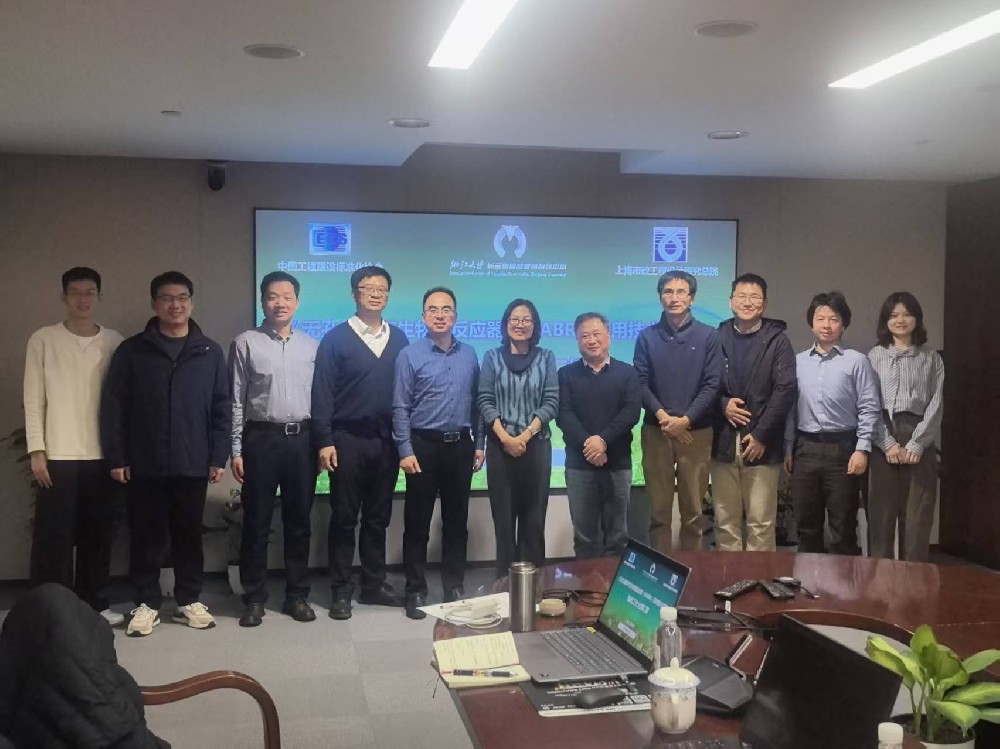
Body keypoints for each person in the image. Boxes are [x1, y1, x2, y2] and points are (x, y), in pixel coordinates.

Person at [101, 271, 230, 637]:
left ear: (191, 302)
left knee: (188, 534)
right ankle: (147, 603)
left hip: (193, 460)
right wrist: (117, 457)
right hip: (145, 461)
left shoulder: (208, 351)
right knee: (145, 535)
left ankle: (189, 599)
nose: (176, 305)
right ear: (154, 304)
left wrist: (217, 456)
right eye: (167, 298)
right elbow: (114, 406)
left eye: (182, 298)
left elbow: (221, 407)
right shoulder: (133, 350)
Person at [23, 267, 125, 626]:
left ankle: (95, 604)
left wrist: (120, 452)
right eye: (75, 292)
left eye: (89, 292)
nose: (83, 299)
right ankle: (54, 609)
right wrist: (37, 450)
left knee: (98, 535)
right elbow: (33, 397)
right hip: (58, 455)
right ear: (63, 297)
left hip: (102, 455)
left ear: (99, 297)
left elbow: (122, 401)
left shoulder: (114, 341)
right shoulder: (43, 339)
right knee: (55, 538)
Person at [312, 266, 409, 620]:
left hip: (386, 442)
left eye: (382, 288)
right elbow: (322, 393)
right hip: (347, 440)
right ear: (354, 293)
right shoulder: (335, 339)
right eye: (368, 287)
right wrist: (324, 440)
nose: (375, 293)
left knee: (377, 519)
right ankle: (341, 589)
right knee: (344, 518)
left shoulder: (399, 339)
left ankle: (373, 584)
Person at [229, 271, 319, 627]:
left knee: (299, 522)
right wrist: (236, 448)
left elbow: (321, 400)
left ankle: (297, 595)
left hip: (303, 440)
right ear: (262, 300)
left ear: (297, 301)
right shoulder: (245, 343)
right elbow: (236, 399)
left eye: (287, 297)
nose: (279, 303)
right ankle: (254, 598)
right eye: (272, 296)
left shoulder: (312, 346)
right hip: (261, 439)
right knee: (256, 521)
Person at [393, 287, 484, 620]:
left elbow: (478, 405)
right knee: (417, 523)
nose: (440, 315)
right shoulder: (409, 355)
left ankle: (454, 587)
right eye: (433, 309)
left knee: (456, 522)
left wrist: (479, 444)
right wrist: (405, 449)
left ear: (455, 316)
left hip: (460, 446)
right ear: (423, 317)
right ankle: (415, 590)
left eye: (446, 309)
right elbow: (400, 406)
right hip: (423, 446)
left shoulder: (470, 354)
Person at [783, 291, 880, 555]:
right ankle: (808, 580)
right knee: (806, 527)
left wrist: (862, 449)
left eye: (834, 319)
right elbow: (790, 409)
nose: (826, 325)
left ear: (844, 324)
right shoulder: (798, 362)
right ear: (811, 323)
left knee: (843, 529)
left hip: (843, 450)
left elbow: (869, 407)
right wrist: (789, 448)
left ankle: (844, 583)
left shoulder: (857, 361)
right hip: (805, 449)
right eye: (820, 318)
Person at [633, 270, 723, 552]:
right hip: (656, 431)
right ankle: (659, 572)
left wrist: (685, 420)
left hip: (695, 433)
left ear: (691, 298)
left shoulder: (709, 336)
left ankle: (691, 572)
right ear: (660, 297)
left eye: (681, 292)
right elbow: (640, 383)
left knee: (693, 514)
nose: (674, 298)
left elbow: (712, 384)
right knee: (658, 513)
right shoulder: (647, 337)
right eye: (668, 292)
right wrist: (664, 418)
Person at [710, 274, 797, 552]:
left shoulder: (778, 341)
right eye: (742, 296)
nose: (747, 302)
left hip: (762, 446)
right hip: (723, 442)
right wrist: (722, 404)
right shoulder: (716, 337)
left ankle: (759, 578)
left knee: (761, 523)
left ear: (764, 304)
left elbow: (785, 389)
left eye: (754, 297)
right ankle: (728, 578)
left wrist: (761, 435)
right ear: (730, 301)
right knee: (725, 522)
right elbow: (705, 383)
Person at [477, 298, 558, 576]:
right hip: (500, 448)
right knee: (503, 522)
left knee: (533, 522)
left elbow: (551, 402)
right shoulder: (491, 357)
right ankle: (504, 585)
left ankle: (534, 586)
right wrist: (505, 438)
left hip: (536, 447)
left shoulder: (546, 357)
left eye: (526, 320)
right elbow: (485, 400)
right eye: (515, 319)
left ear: (534, 325)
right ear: (506, 323)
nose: (520, 324)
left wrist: (524, 436)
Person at [867, 292, 944, 562]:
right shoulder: (874, 356)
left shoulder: (931, 358)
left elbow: (937, 402)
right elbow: (868, 403)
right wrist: (886, 442)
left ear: (917, 319)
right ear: (885, 321)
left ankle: (914, 584)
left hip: (919, 433)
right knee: (881, 516)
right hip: (882, 434)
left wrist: (917, 443)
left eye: (907, 314)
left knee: (917, 516)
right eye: (893, 315)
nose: (900, 320)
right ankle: (879, 583)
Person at [557, 312, 641, 558]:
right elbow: (564, 415)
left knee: (618, 536)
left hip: (618, 464)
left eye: (596, 334)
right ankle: (586, 582)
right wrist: (590, 445)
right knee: (585, 538)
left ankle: (613, 584)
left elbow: (631, 412)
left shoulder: (627, 373)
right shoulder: (566, 374)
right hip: (579, 465)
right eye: (585, 336)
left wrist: (602, 441)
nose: (591, 340)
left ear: (609, 336)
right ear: (577, 340)